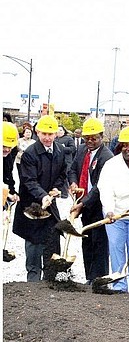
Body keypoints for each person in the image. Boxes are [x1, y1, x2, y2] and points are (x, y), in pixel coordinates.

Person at [12, 115, 68, 281]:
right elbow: (29, 180)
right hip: (32, 206)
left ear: (56, 134)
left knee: (52, 239)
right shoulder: (30, 154)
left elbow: (62, 173)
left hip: (50, 205)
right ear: (37, 132)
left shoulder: (59, 151)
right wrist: (43, 196)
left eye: (51, 134)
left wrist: (56, 189)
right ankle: (33, 280)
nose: (47, 137)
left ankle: (51, 278)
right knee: (34, 242)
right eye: (44, 134)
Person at [97, 126, 129, 294]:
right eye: (125, 145)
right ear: (120, 146)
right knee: (117, 249)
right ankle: (119, 285)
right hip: (116, 216)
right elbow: (104, 189)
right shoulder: (111, 165)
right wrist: (109, 211)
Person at [68, 117, 114, 284]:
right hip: (84, 202)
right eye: (87, 138)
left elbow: (99, 187)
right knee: (86, 241)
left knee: (99, 243)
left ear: (101, 137)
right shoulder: (81, 150)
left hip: (98, 205)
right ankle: (89, 277)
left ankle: (100, 278)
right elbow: (72, 169)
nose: (90, 141)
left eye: (93, 138)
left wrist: (83, 203)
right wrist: (73, 183)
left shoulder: (106, 156)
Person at [3, 121, 20, 204]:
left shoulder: (8, 157)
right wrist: (5, 194)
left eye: (10, 147)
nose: (7, 150)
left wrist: (12, 192)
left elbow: (8, 176)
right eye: (3, 146)